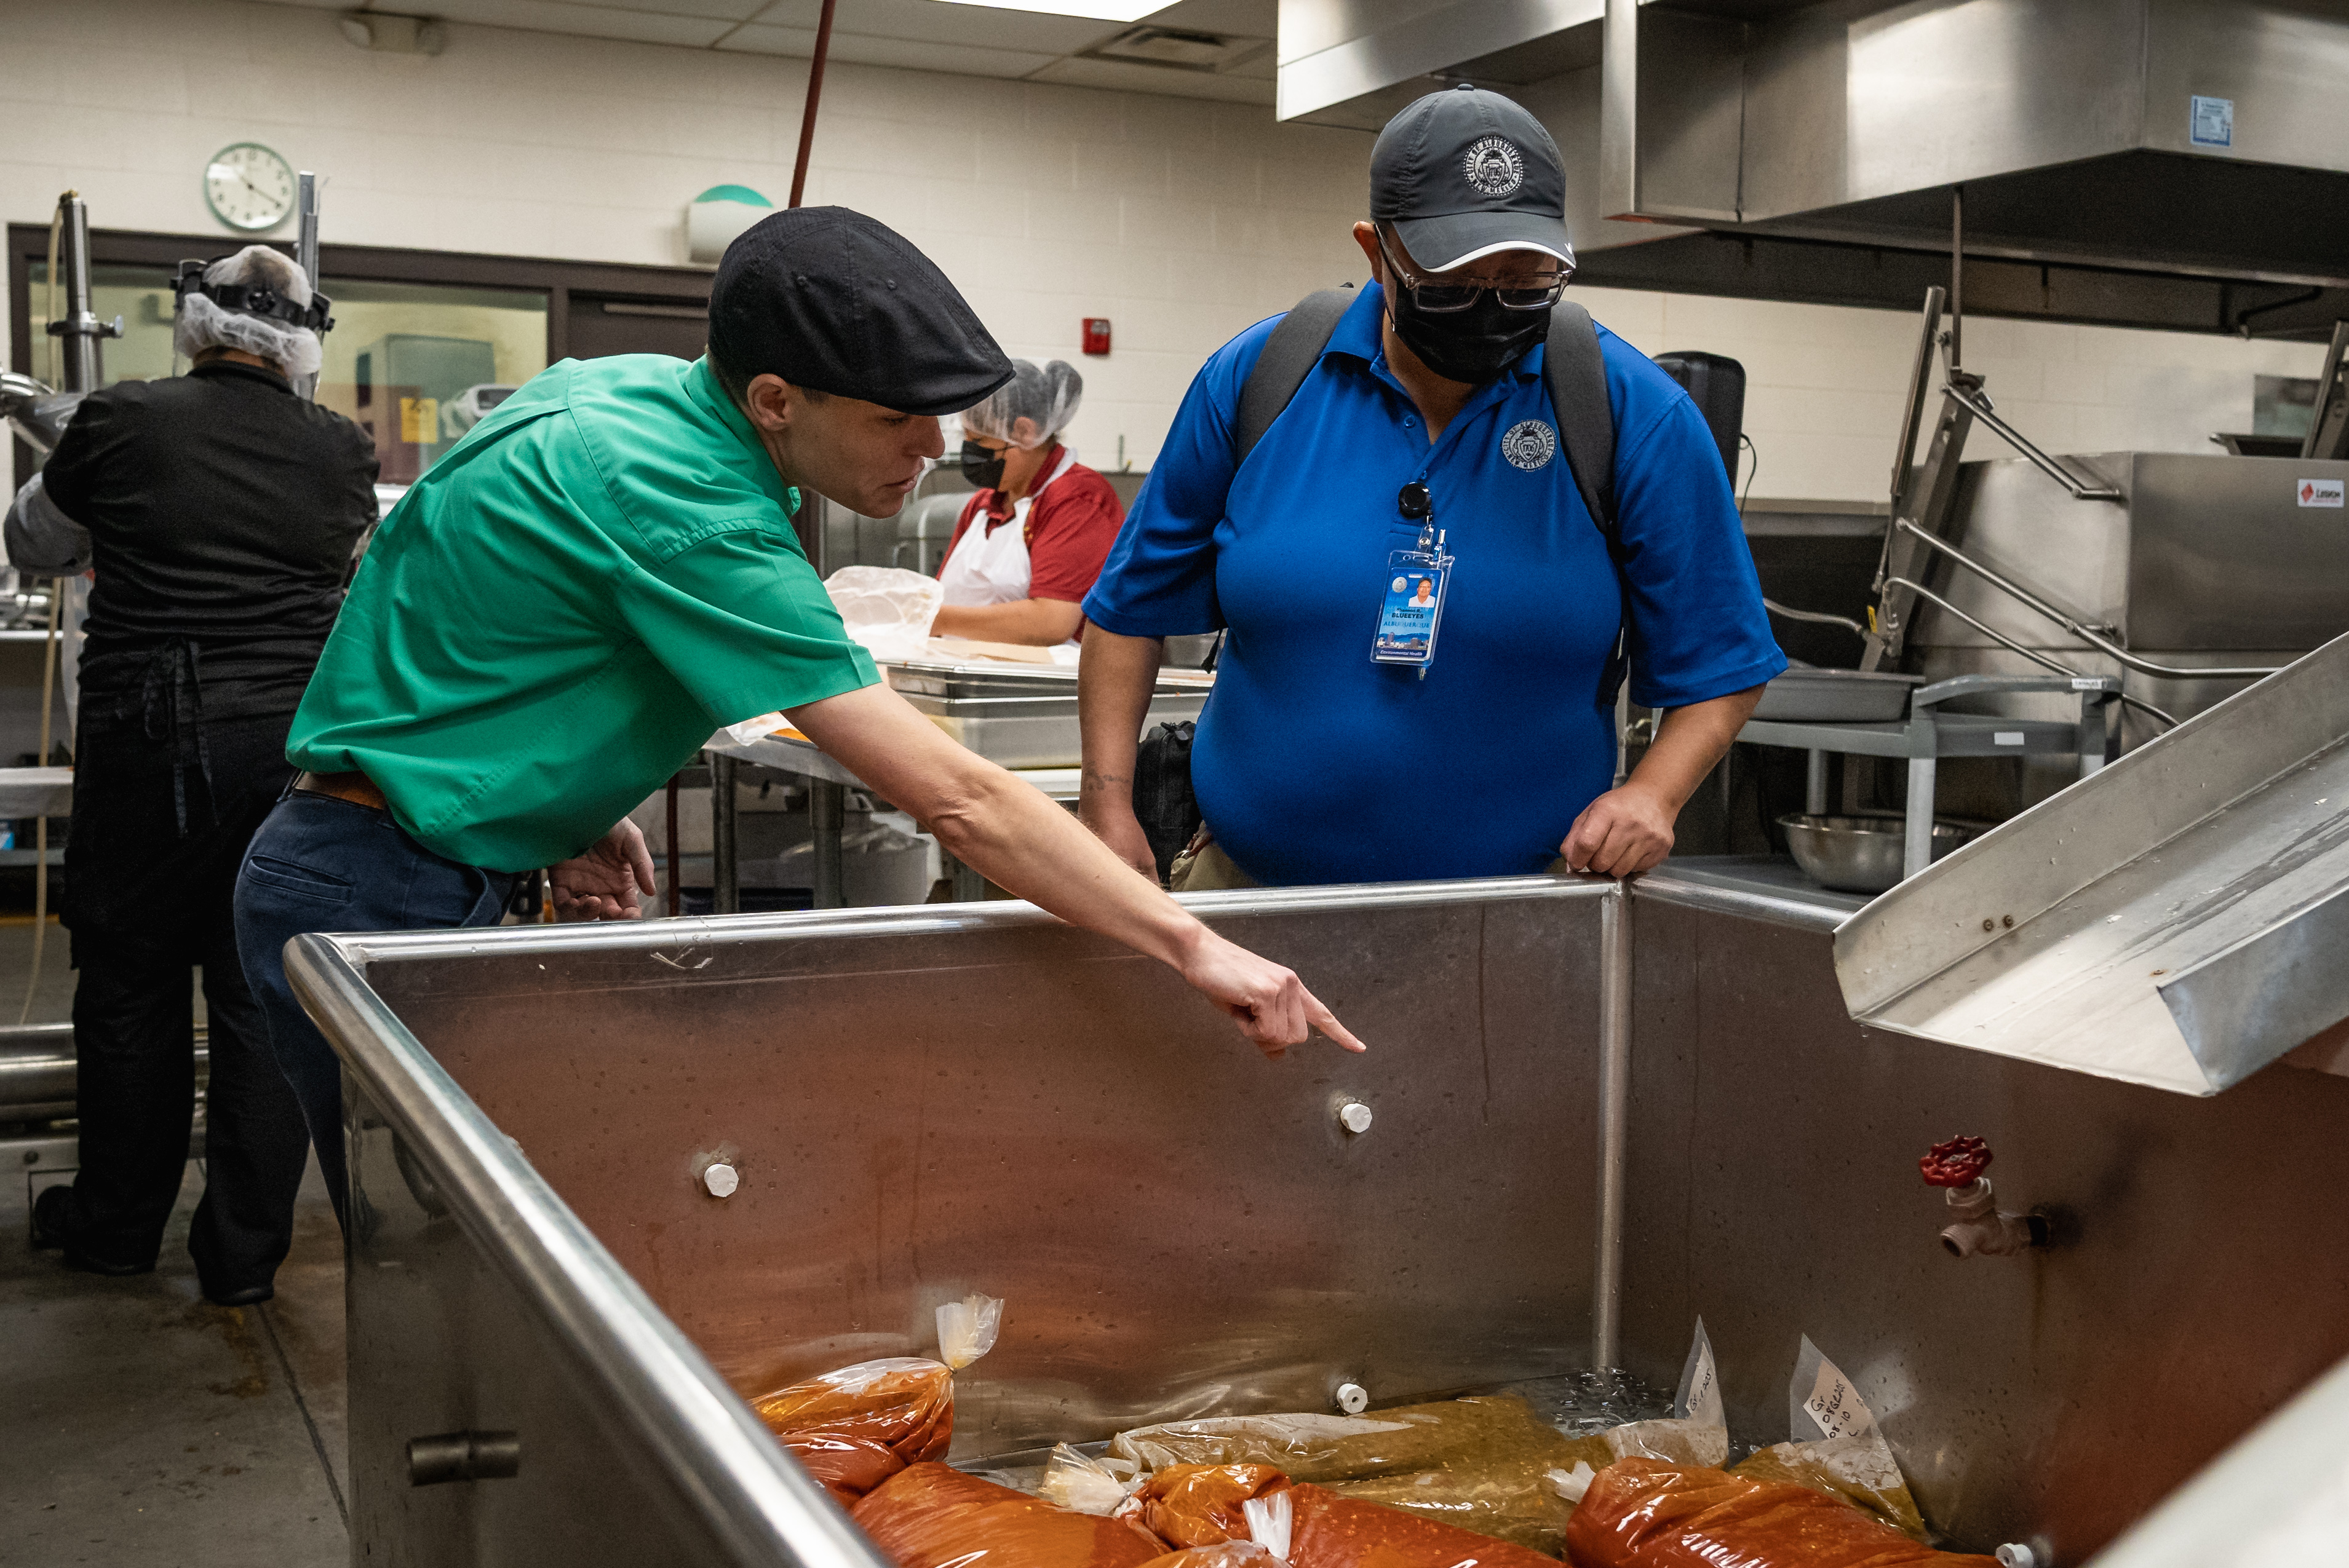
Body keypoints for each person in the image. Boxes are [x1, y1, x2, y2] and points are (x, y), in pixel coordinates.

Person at [231, 208, 1359, 1232]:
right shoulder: (685, 501)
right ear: (776, 400)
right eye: (897, 422)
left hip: (393, 851)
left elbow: (464, 601)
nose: (932, 452)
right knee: (448, 1255)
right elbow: (960, 799)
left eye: (942, 420)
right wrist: (1190, 940)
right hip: (373, 885)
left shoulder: (615, 393)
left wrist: (558, 809)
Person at [1076, 87, 1784, 890]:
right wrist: (1107, 804)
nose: (1489, 310)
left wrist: (1655, 796)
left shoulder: (1629, 413)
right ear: (1378, 253)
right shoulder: (1261, 378)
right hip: (1250, 894)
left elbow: (1723, 660)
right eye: (1452, 283)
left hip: (1524, 907)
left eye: (1525, 284)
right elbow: (1127, 613)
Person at [5, 245, 375, 1303]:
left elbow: (30, 541)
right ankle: (244, 1256)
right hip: (287, 746)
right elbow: (357, 575)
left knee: (130, 986)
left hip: (144, 742)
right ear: (305, 342)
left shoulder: (118, 420)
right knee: (263, 997)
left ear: (194, 322)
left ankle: (117, 1227)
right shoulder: (341, 450)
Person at [931, 358, 1123, 646]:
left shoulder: (1078, 499)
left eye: (981, 442)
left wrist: (933, 619)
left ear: (1025, 432)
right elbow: (938, 595)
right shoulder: (982, 506)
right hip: (973, 673)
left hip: (1049, 682)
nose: (970, 453)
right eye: (967, 440)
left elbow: (1052, 621)